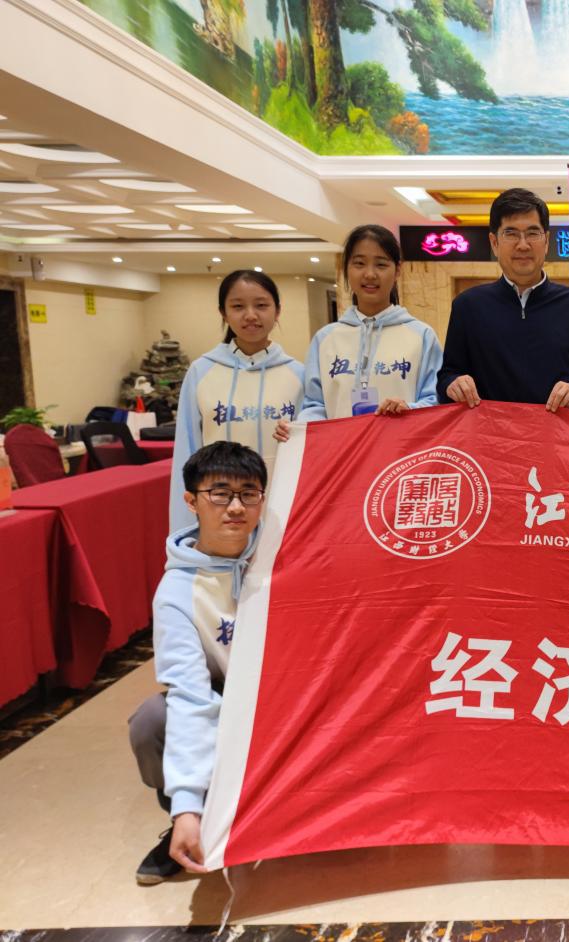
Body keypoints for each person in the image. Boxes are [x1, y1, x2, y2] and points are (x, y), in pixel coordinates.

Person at [128, 441, 266, 883]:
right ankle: (187, 824)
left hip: (285, 694)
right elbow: (189, 692)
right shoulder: (176, 593)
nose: (236, 507)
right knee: (152, 720)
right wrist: (187, 805)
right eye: (220, 494)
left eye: (249, 493)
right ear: (191, 501)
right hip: (223, 696)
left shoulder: (283, 557)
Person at [438, 188, 569, 412]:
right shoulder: (467, 306)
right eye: (511, 233)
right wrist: (453, 384)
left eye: (532, 233)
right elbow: (447, 376)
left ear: (546, 241)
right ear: (494, 242)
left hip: (559, 433)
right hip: (489, 432)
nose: (523, 245)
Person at [169, 271, 302, 530]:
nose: (250, 315)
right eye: (238, 306)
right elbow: (186, 450)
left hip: (284, 509)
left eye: (261, 305)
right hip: (219, 510)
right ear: (223, 313)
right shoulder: (201, 372)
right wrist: (185, 529)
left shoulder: (299, 374)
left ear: (277, 311)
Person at [288, 225, 441, 429]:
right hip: (342, 446)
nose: (369, 274)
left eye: (381, 264)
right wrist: (297, 428)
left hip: (401, 446)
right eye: (359, 263)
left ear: (397, 270)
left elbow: (435, 401)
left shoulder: (422, 336)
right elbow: (315, 405)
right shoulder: (325, 339)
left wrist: (408, 409)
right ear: (346, 268)